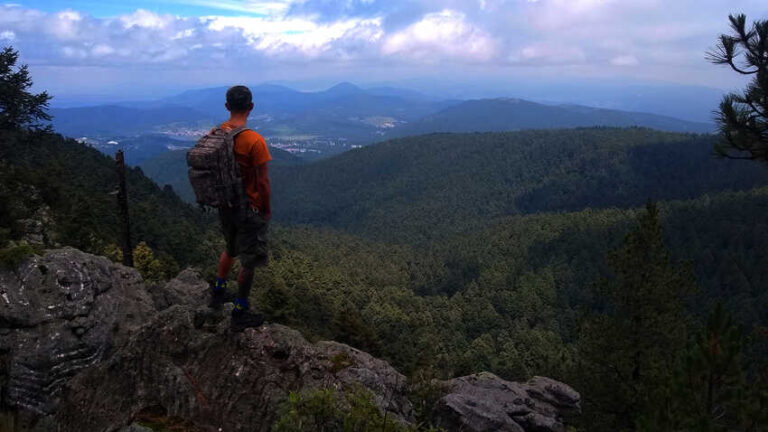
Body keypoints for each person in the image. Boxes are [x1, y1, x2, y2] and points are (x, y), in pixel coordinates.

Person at [209, 85, 272, 331]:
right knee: (249, 261)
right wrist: (265, 208)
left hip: (225, 204)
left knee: (230, 248)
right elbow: (263, 182)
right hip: (248, 209)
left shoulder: (215, 133)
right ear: (251, 107)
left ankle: (218, 292)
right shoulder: (254, 140)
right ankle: (240, 310)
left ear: (227, 106)